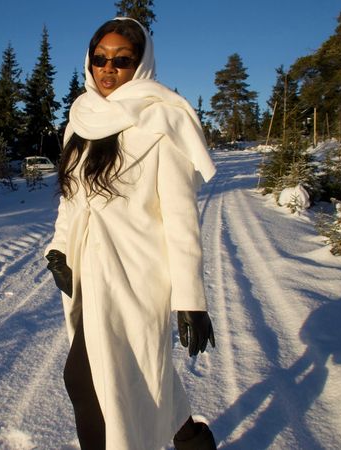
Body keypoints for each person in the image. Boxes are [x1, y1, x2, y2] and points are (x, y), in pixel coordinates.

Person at [45, 17, 217, 450]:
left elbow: (181, 221)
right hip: (89, 272)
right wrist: (59, 249)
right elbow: (72, 198)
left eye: (122, 60)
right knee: (131, 374)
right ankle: (193, 442)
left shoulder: (163, 122)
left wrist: (191, 302)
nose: (108, 68)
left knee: (86, 380)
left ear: (140, 64)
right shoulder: (81, 119)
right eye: (100, 58)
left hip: (138, 278)